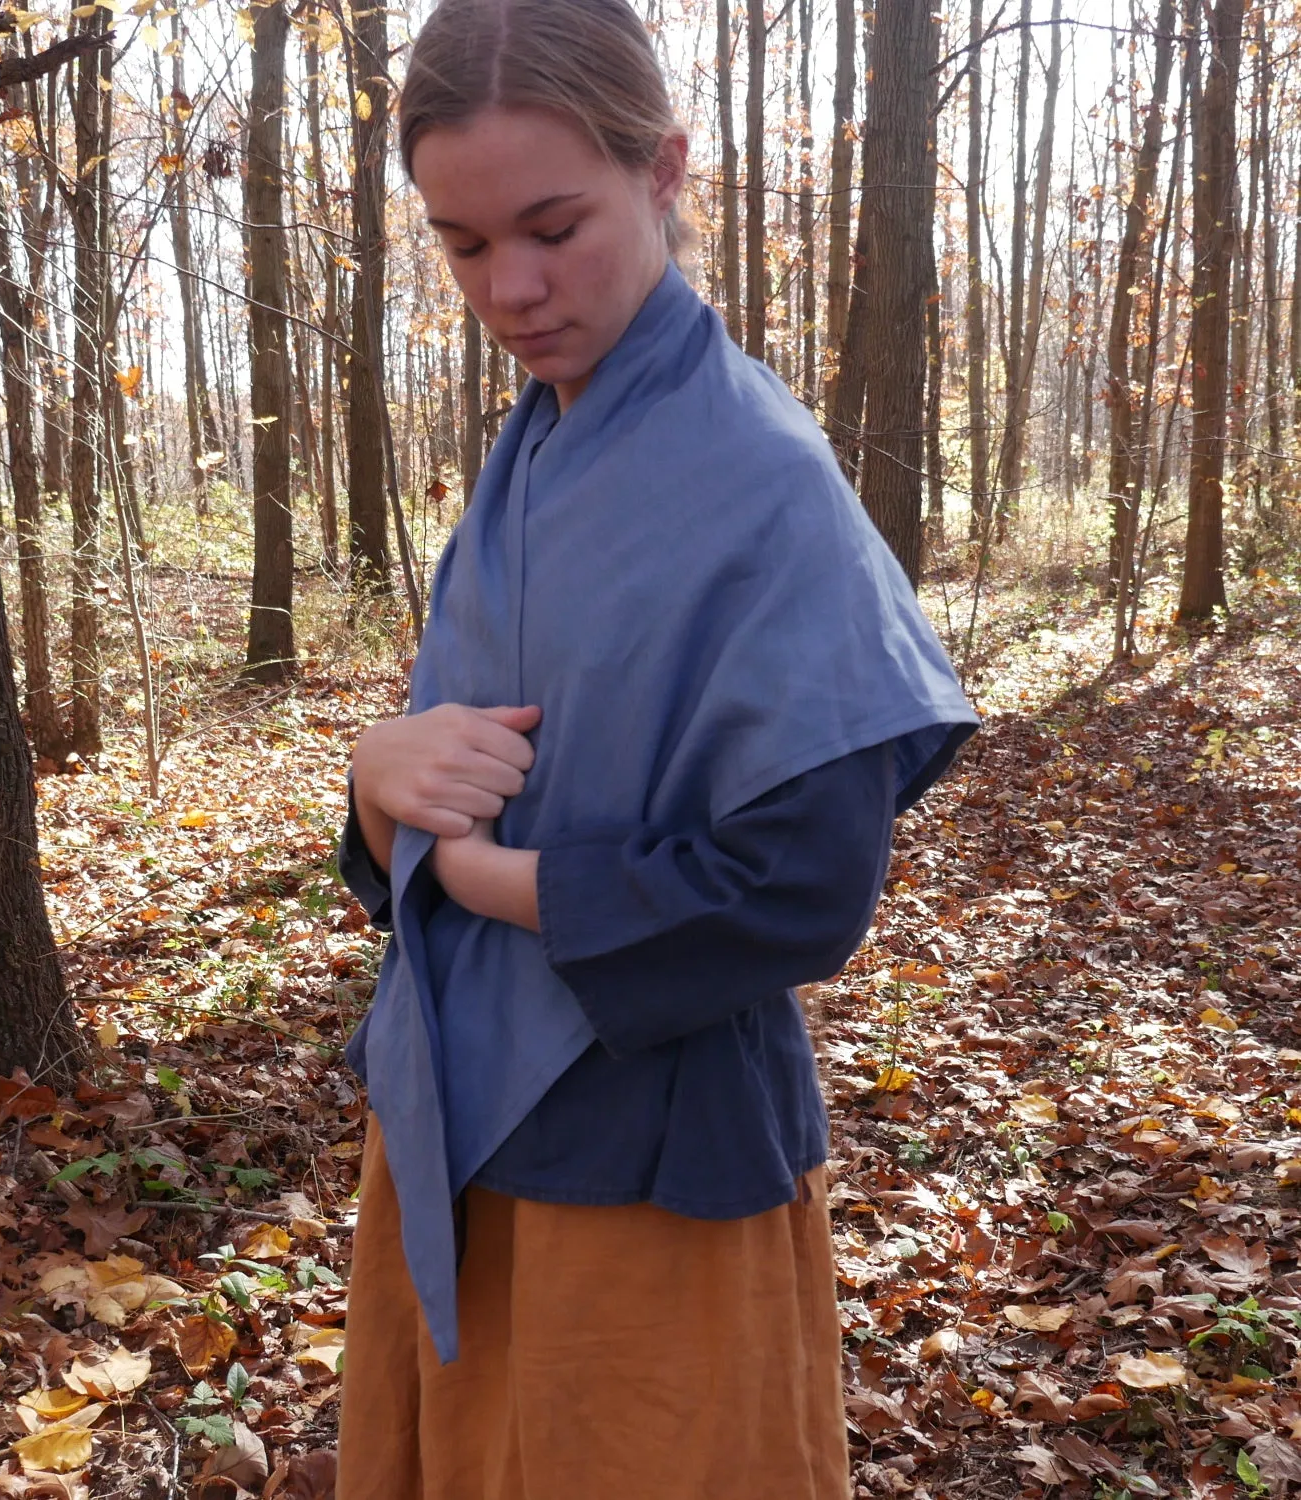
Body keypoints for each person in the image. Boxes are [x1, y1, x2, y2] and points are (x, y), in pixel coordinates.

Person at [333, 0, 978, 1493]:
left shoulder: (759, 474)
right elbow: (451, 772)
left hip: (645, 1169)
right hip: (449, 1123)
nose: (513, 284)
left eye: (553, 225)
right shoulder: (534, 443)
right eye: (465, 243)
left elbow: (800, 886)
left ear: (666, 168)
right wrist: (382, 784)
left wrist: (490, 880)